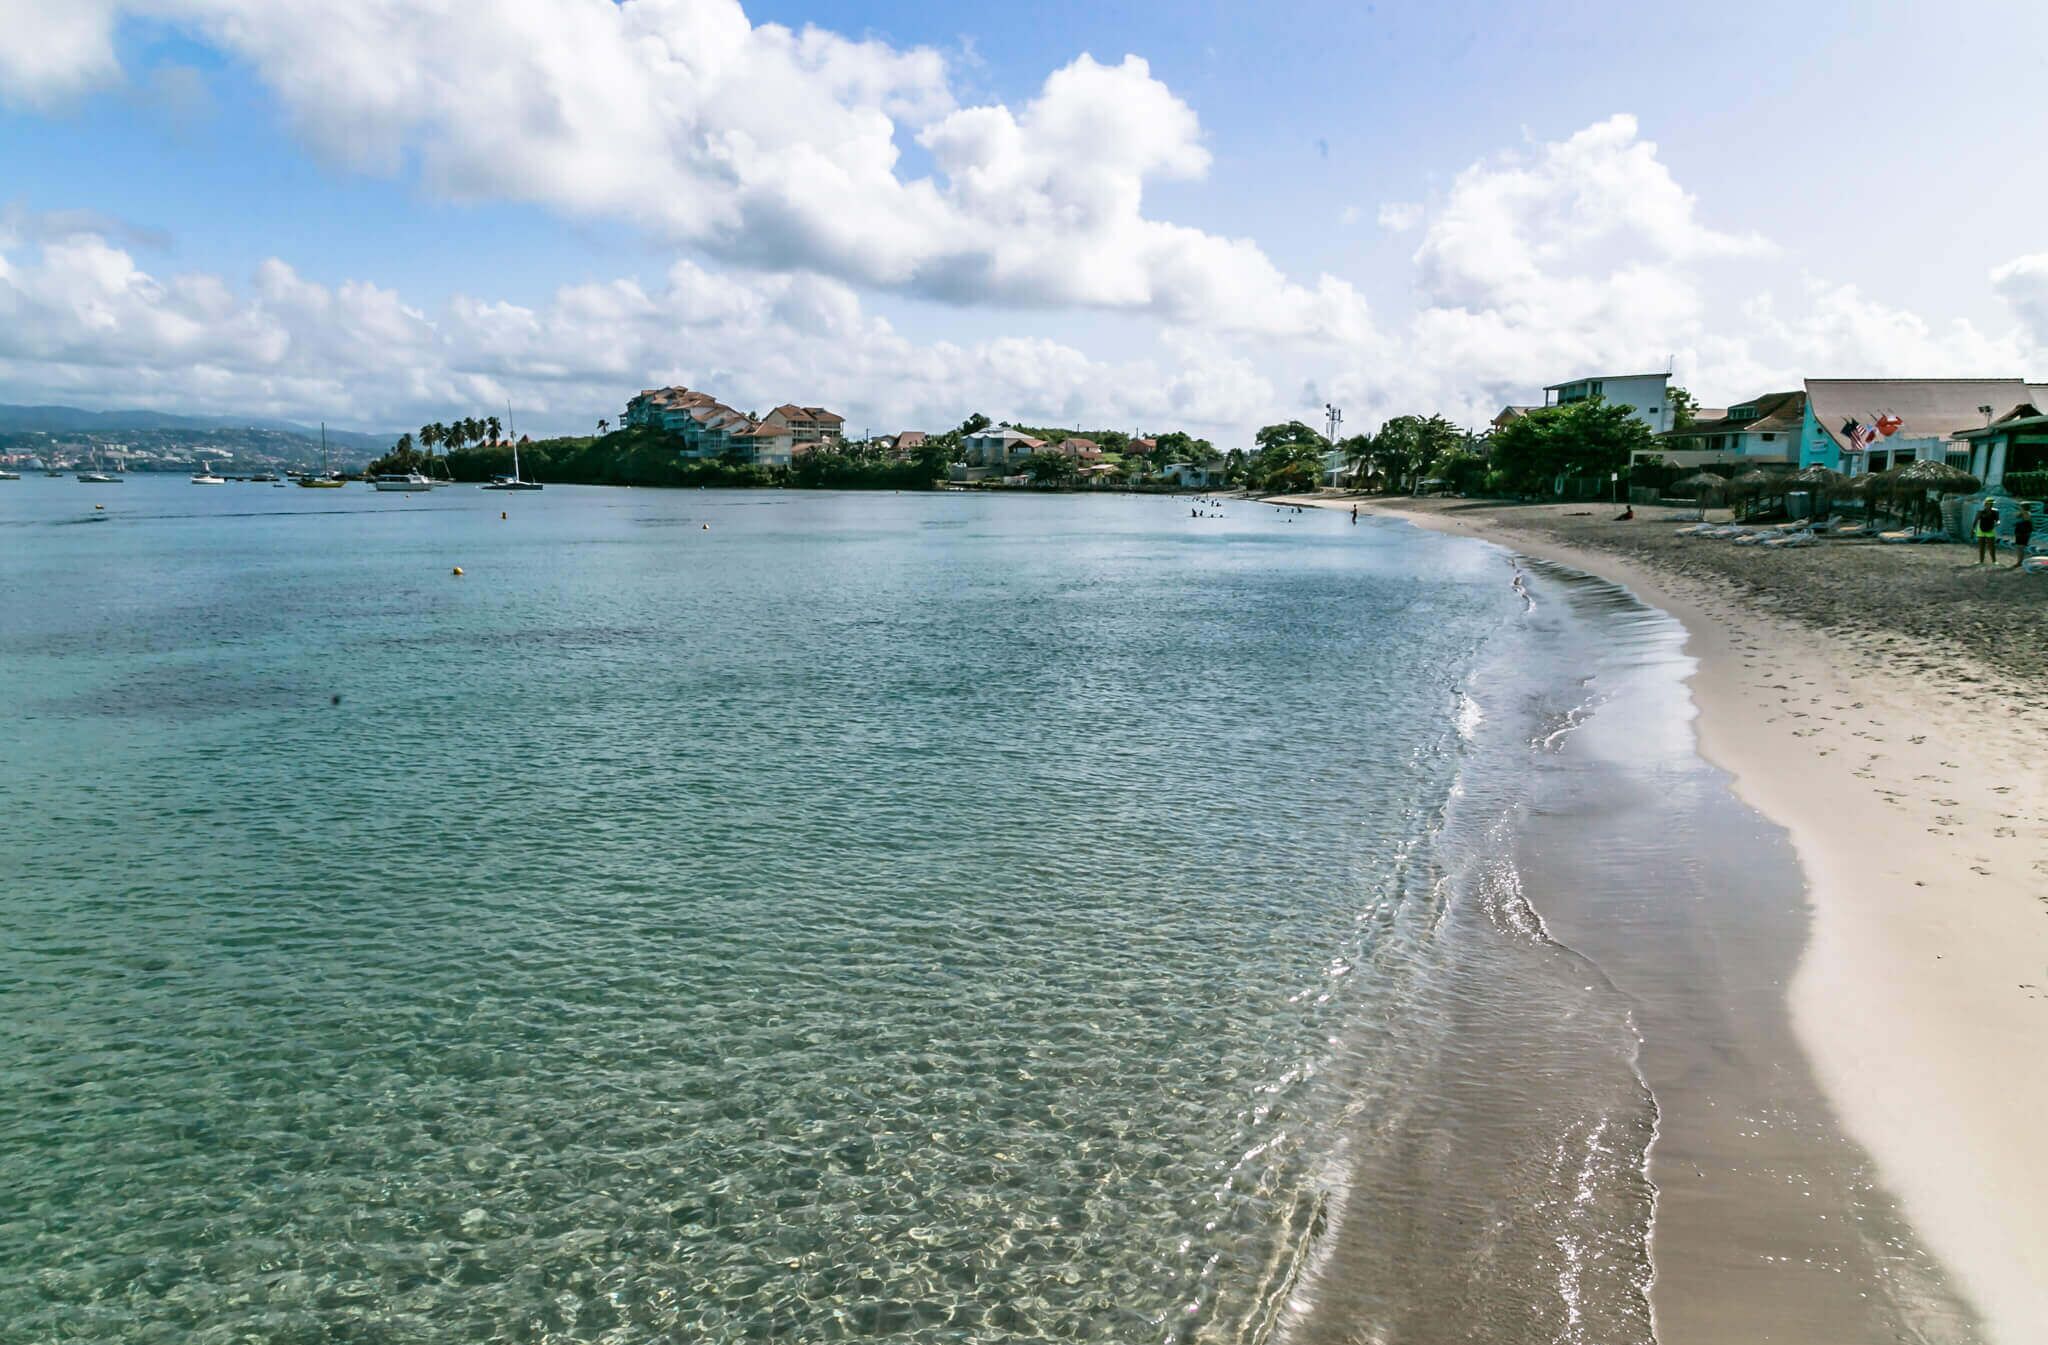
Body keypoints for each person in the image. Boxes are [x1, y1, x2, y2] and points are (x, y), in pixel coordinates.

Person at [1973, 498, 2001, 564]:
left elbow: (1998, 520)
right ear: (1985, 504)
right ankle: (1981, 561)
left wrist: (1998, 523)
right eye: (1990, 503)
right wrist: (1973, 529)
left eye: (1992, 504)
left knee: (1992, 546)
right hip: (1981, 530)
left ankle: (1994, 561)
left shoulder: (1995, 511)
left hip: (1990, 529)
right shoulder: (1980, 512)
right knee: (1981, 546)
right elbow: (1976, 520)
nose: (1991, 505)